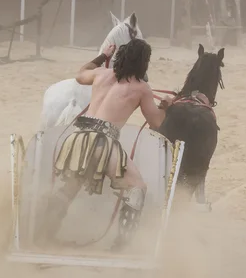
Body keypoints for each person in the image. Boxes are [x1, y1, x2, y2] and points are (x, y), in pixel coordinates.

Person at [36, 39, 174, 249]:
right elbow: (156, 121)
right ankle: (121, 245)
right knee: (137, 188)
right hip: (103, 141)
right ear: (143, 62)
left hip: (78, 136)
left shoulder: (101, 74)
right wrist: (167, 106)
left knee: (69, 188)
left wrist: (103, 55)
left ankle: (43, 234)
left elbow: (81, 73)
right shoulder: (141, 88)